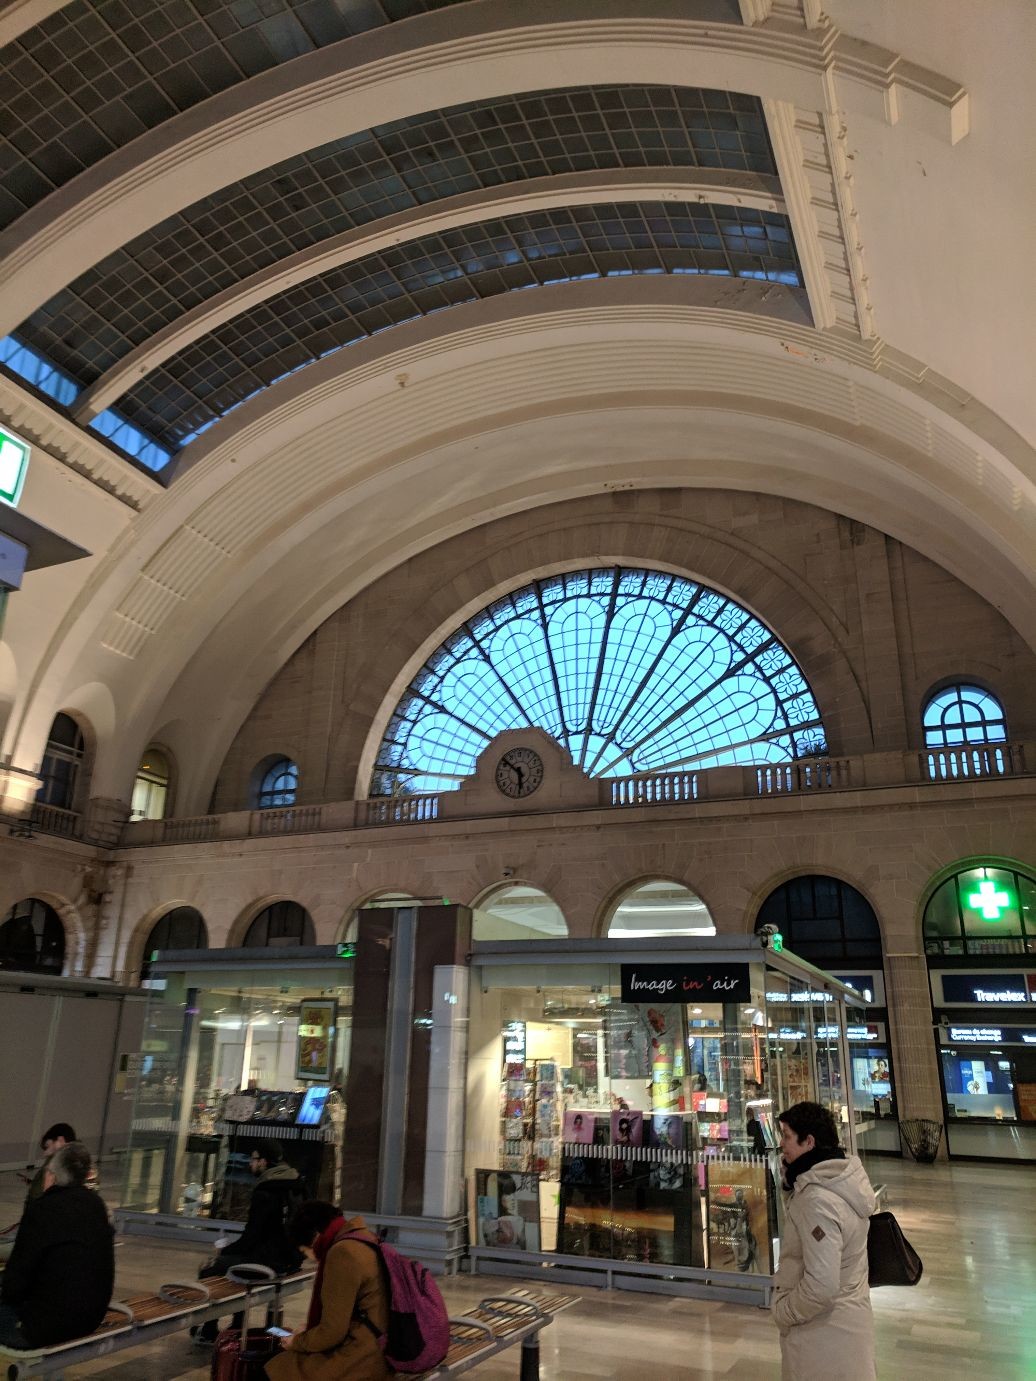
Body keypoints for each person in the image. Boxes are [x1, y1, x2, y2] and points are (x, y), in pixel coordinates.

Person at [771, 1102, 877, 1381]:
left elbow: (822, 1285)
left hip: (823, 1332)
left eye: (786, 1136)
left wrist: (784, 1311)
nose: (781, 1144)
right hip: (847, 1320)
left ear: (809, 1141)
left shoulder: (818, 1200)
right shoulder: (839, 1180)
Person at [0, 1142, 114, 1349]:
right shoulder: (97, 1206)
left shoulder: (42, 1210)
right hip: (90, 1319)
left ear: (51, 1176)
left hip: (42, 1328)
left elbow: (15, 1281)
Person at [266, 1199, 391, 1380]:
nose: (311, 1257)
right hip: (379, 1343)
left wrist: (298, 1342)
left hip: (365, 1356)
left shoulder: (342, 1253)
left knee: (279, 1367)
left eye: (304, 1252)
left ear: (315, 1236)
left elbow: (332, 1332)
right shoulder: (362, 1236)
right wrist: (310, 1332)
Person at [194, 1139, 304, 1345]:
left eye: (253, 1159)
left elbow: (250, 1238)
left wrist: (224, 1250)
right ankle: (236, 1325)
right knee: (237, 1265)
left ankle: (209, 1330)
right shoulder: (294, 1183)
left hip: (270, 1260)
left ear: (264, 1161)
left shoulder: (265, 1190)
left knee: (211, 1268)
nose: (250, 1164)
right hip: (291, 1259)